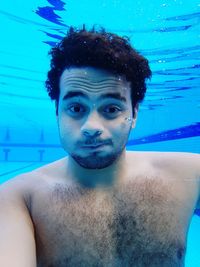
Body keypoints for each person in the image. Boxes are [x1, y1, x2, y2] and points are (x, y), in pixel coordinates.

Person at [0, 25, 199, 267]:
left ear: (134, 113)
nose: (91, 126)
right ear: (57, 112)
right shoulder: (19, 198)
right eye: (76, 108)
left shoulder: (191, 176)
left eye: (111, 109)